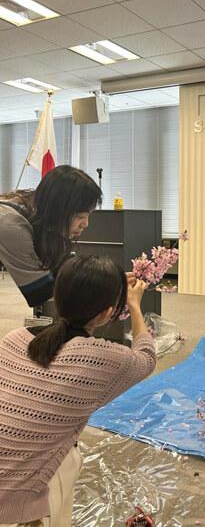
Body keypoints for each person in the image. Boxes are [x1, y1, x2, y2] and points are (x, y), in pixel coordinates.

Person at [0, 255, 156, 526]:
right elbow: (146, 357)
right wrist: (134, 305)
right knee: (67, 460)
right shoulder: (102, 358)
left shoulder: (13, 339)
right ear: (108, 312)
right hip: (22, 498)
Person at [0, 166, 102, 308]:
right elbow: (39, 291)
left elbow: (61, 268)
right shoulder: (10, 224)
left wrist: (109, 280)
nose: (85, 224)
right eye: (80, 217)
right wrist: (104, 292)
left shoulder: (38, 210)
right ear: (58, 211)